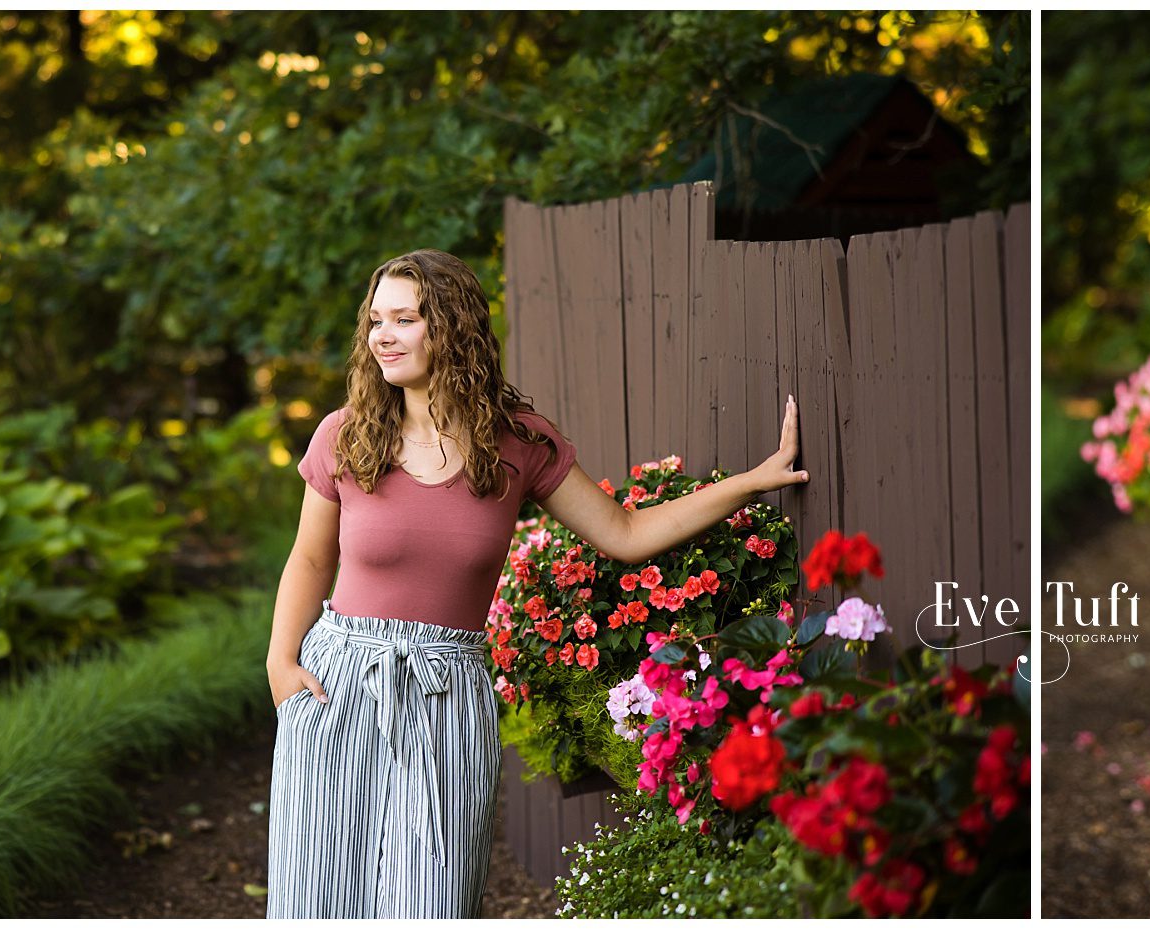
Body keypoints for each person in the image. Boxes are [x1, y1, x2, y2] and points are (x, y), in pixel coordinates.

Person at [263, 248, 809, 918]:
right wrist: (281, 664)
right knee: (322, 892)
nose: (382, 335)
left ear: (451, 327)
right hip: (337, 684)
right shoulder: (346, 435)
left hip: (446, 694)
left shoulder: (517, 443)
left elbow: (625, 534)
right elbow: (311, 558)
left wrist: (751, 483)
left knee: (430, 896)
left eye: (403, 318)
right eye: (376, 319)